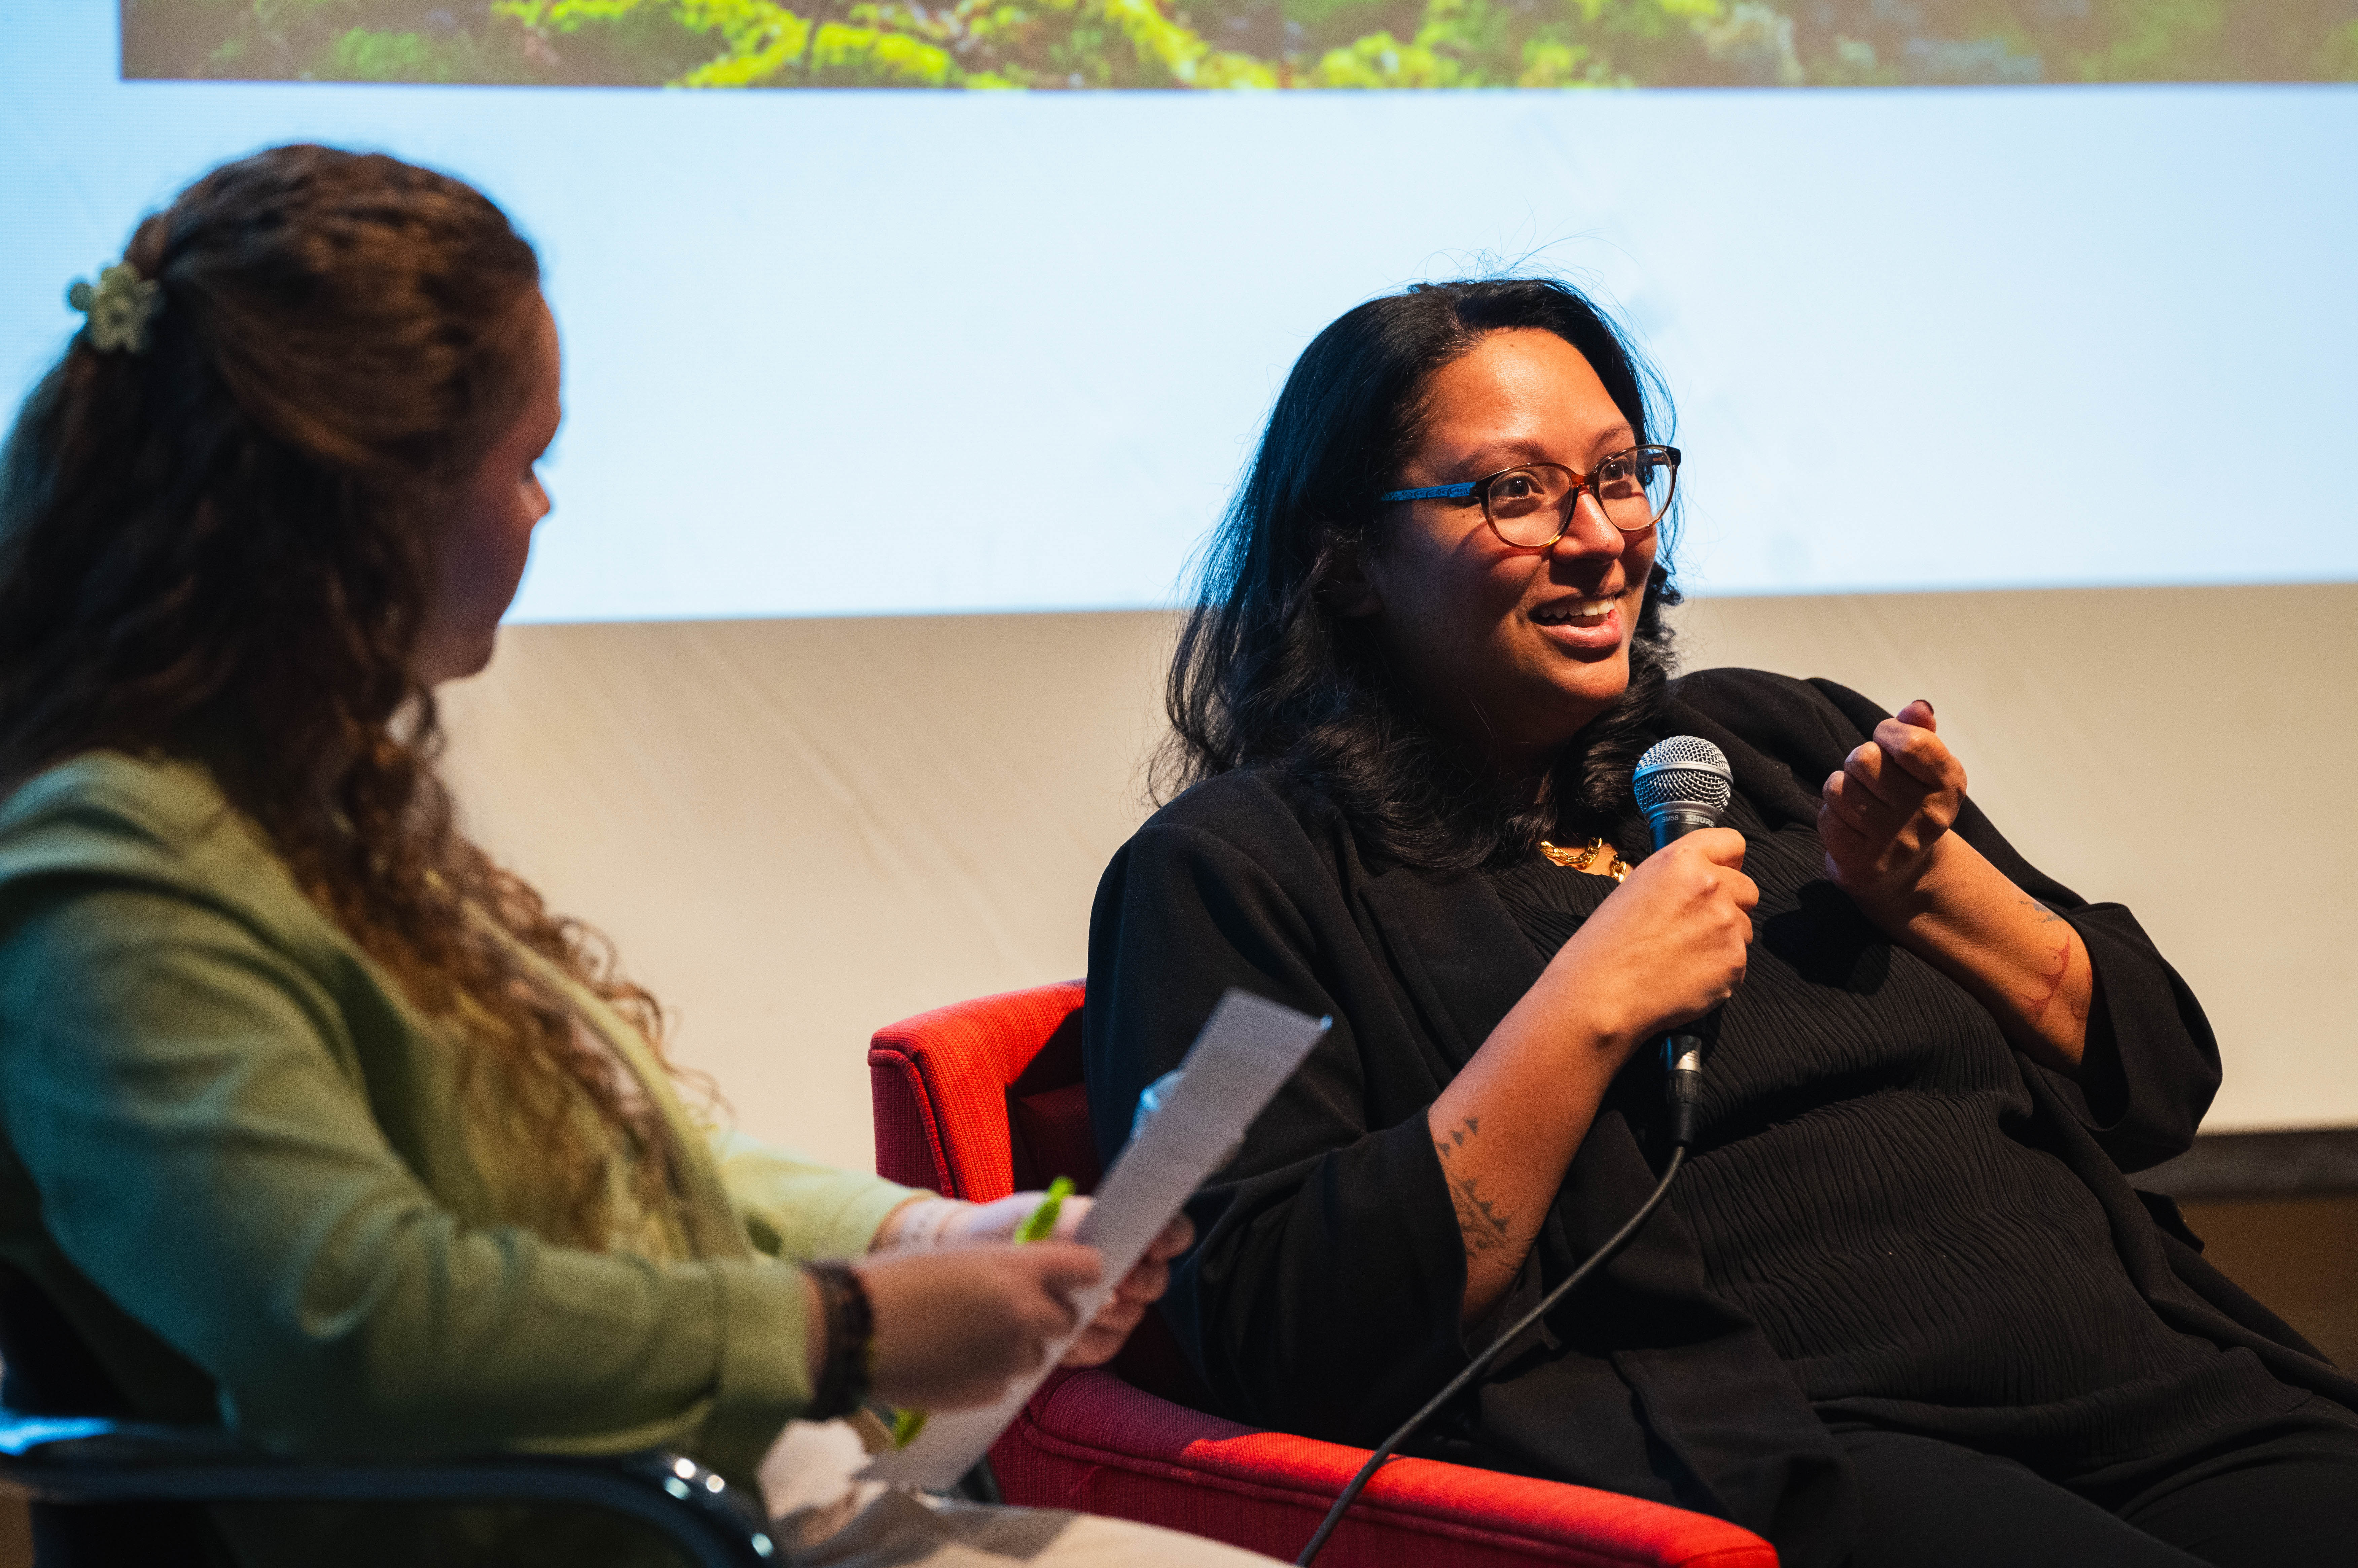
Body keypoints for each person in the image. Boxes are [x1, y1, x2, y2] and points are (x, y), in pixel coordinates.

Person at [0, 144, 1252, 1568]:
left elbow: (604, 1158)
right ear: (359, 506)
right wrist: (839, 1326)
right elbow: (362, 1321)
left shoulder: (295, 811)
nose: (544, 510)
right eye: (525, 461)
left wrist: (914, 1238)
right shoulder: (113, 877)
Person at [1081, 277, 2358, 1568]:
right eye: (1514, 493)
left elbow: (2159, 1081)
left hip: (2157, 1385)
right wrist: (1587, 1008)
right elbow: (1280, 1332)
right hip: (1805, 1454)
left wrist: (1933, 894)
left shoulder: (1776, 741)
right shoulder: (1242, 871)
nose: (1599, 538)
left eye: (1622, 475)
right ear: (1344, 558)